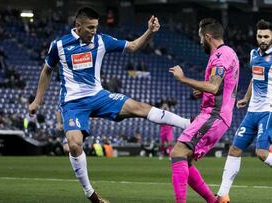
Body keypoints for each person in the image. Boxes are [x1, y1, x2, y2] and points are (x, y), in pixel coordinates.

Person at [28, 7, 190, 203]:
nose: (94, 31)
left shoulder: (101, 40)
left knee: (139, 107)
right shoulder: (59, 45)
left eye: (96, 27)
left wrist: (149, 32)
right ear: (78, 26)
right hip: (73, 103)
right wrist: (37, 100)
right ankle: (90, 193)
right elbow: (47, 71)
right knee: (74, 144)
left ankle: (189, 124)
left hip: (98, 96)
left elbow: (132, 46)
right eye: (90, 27)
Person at [216, 19, 272, 203]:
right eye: (259, 36)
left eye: (266, 36)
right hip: (252, 111)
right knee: (234, 150)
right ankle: (223, 195)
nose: (262, 39)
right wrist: (246, 98)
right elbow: (254, 78)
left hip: (269, 111)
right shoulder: (253, 54)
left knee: (261, 153)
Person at [169, 18, 239, 203]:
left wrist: (183, 78)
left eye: (200, 38)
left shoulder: (220, 55)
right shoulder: (228, 53)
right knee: (185, 159)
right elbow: (221, 87)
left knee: (178, 152)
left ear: (208, 36)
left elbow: (214, 86)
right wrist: (203, 91)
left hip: (214, 115)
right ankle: (213, 201)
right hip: (217, 115)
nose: (200, 41)